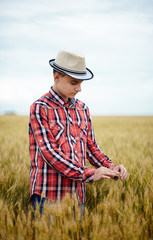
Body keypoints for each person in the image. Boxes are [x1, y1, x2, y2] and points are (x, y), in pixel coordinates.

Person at [29, 50, 127, 216]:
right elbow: (50, 153)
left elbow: (91, 147)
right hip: (48, 196)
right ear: (56, 76)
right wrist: (89, 173)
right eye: (74, 82)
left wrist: (112, 167)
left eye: (81, 83)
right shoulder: (40, 108)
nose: (79, 89)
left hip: (78, 196)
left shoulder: (83, 108)